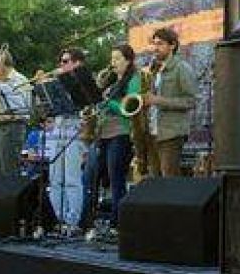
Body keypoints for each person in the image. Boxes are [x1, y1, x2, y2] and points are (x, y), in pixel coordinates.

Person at [91, 44, 142, 228]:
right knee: (96, 175)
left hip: (121, 133)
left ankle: (118, 222)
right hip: (103, 134)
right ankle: (96, 218)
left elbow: (127, 108)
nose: (113, 62)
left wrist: (108, 101)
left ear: (128, 61)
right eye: (112, 59)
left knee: (116, 179)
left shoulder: (134, 78)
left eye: (117, 58)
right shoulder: (111, 82)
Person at [145, 27, 197, 177]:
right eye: (154, 44)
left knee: (169, 178)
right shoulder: (154, 69)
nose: (155, 48)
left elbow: (191, 101)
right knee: (155, 181)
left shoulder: (182, 68)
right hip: (153, 131)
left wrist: (158, 100)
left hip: (172, 134)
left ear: (172, 45)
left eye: (160, 44)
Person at [46, 47, 87, 230]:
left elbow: (86, 105)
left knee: (72, 178)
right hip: (58, 126)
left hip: (74, 127)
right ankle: (56, 218)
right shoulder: (58, 83)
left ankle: (72, 220)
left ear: (77, 63)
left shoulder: (84, 82)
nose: (61, 65)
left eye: (65, 61)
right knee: (55, 178)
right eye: (61, 61)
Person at [0, 45, 31, 176]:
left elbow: (24, 108)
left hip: (12, 127)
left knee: (9, 169)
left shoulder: (20, 80)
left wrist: (2, 88)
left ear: (0, 65)